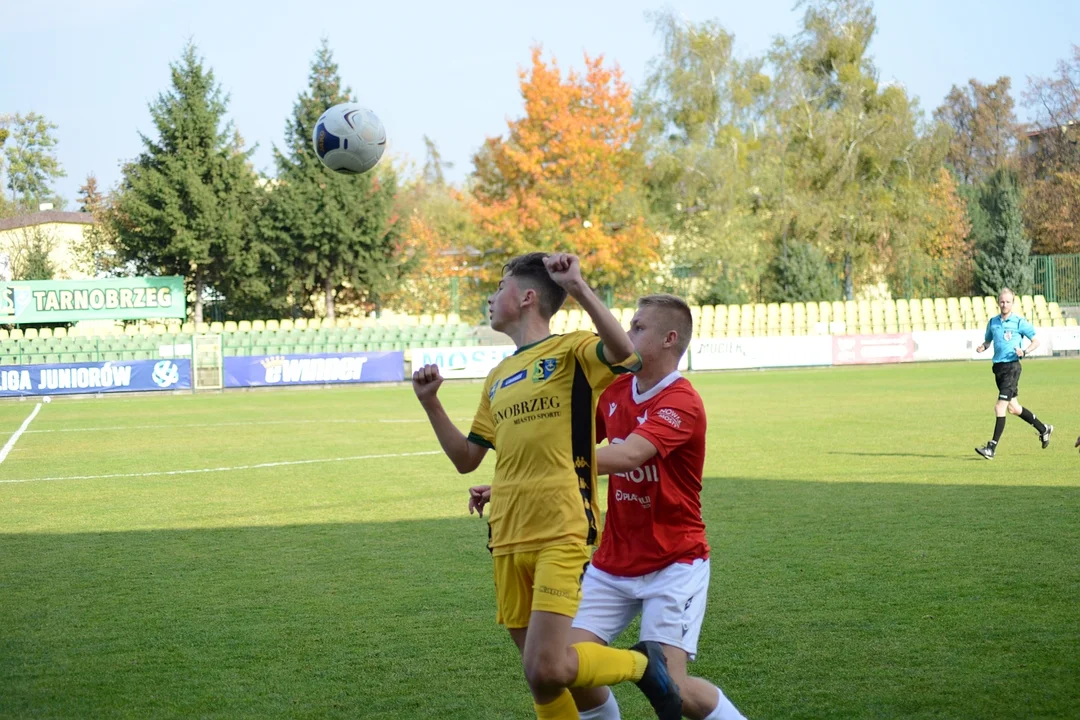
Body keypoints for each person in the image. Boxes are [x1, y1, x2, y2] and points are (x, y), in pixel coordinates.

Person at [413, 252, 683, 720]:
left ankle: (643, 665)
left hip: (561, 530)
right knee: (542, 678)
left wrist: (578, 287)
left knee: (546, 667)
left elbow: (627, 354)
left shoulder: (572, 351)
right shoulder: (496, 378)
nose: (492, 297)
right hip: (506, 537)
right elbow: (466, 459)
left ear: (527, 297)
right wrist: (430, 403)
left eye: (500, 287)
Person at [470, 294, 746, 720]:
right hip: (612, 563)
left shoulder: (682, 401)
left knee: (673, 689)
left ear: (669, 339)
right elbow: (569, 436)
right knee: (562, 667)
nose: (628, 332)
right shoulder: (616, 389)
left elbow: (630, 455)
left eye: (638, 327)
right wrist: (514, 480)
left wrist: (539, 468)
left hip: (674, 561)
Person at [974, 288, 1053, 460]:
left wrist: (1024, 352)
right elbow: (988, 341)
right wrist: (983, 347)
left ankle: (991, 448)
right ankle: (1043, 429)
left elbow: (1036, 341)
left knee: (999, 407)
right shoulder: (993, 322)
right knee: (1013, 408)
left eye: (1008, 302)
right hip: (999, 369)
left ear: (1013, 303)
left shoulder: (1019, 322)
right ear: (998, 302)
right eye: (1002, 301)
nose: (1005, 304)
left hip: (1012, 368)